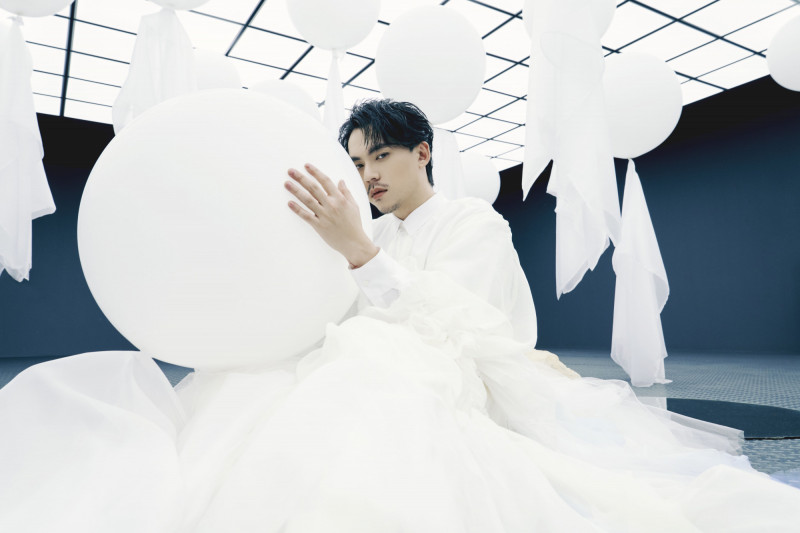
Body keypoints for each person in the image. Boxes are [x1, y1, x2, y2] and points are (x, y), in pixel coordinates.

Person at [2, 99, 800, 533]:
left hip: (442, 372)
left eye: (380, 155)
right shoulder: (372, 231)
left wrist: (356, 250)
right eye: (356, 162)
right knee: (245, 390)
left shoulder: (473, 223)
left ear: (422, 151)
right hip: (358, 356)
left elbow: (457, 324)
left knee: (367, 396)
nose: (368, 174)